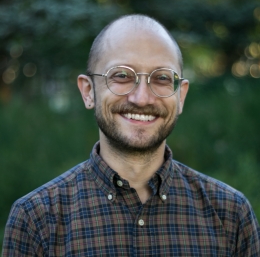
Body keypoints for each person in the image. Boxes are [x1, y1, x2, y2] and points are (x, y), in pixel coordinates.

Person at [2, 14, 260, 256]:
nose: (142, 98)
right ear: (88, 91)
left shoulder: (230, 214)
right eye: (122, 76)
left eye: (161, 78)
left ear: (180, 96)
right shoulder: (36, 218)